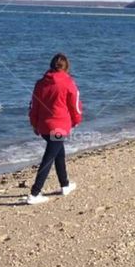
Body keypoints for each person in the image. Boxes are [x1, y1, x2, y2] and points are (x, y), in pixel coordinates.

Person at [26, 53, 82, 205]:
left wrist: (34, 123)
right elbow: (75, 105)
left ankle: (65, 185)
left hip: (44, 126)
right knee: (49, 157)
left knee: (59, 153)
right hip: (59, 127)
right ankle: (35, 193)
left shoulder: (40, 83)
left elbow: (33, 106)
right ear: (66, 67)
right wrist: (76, 120)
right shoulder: (68, 82)